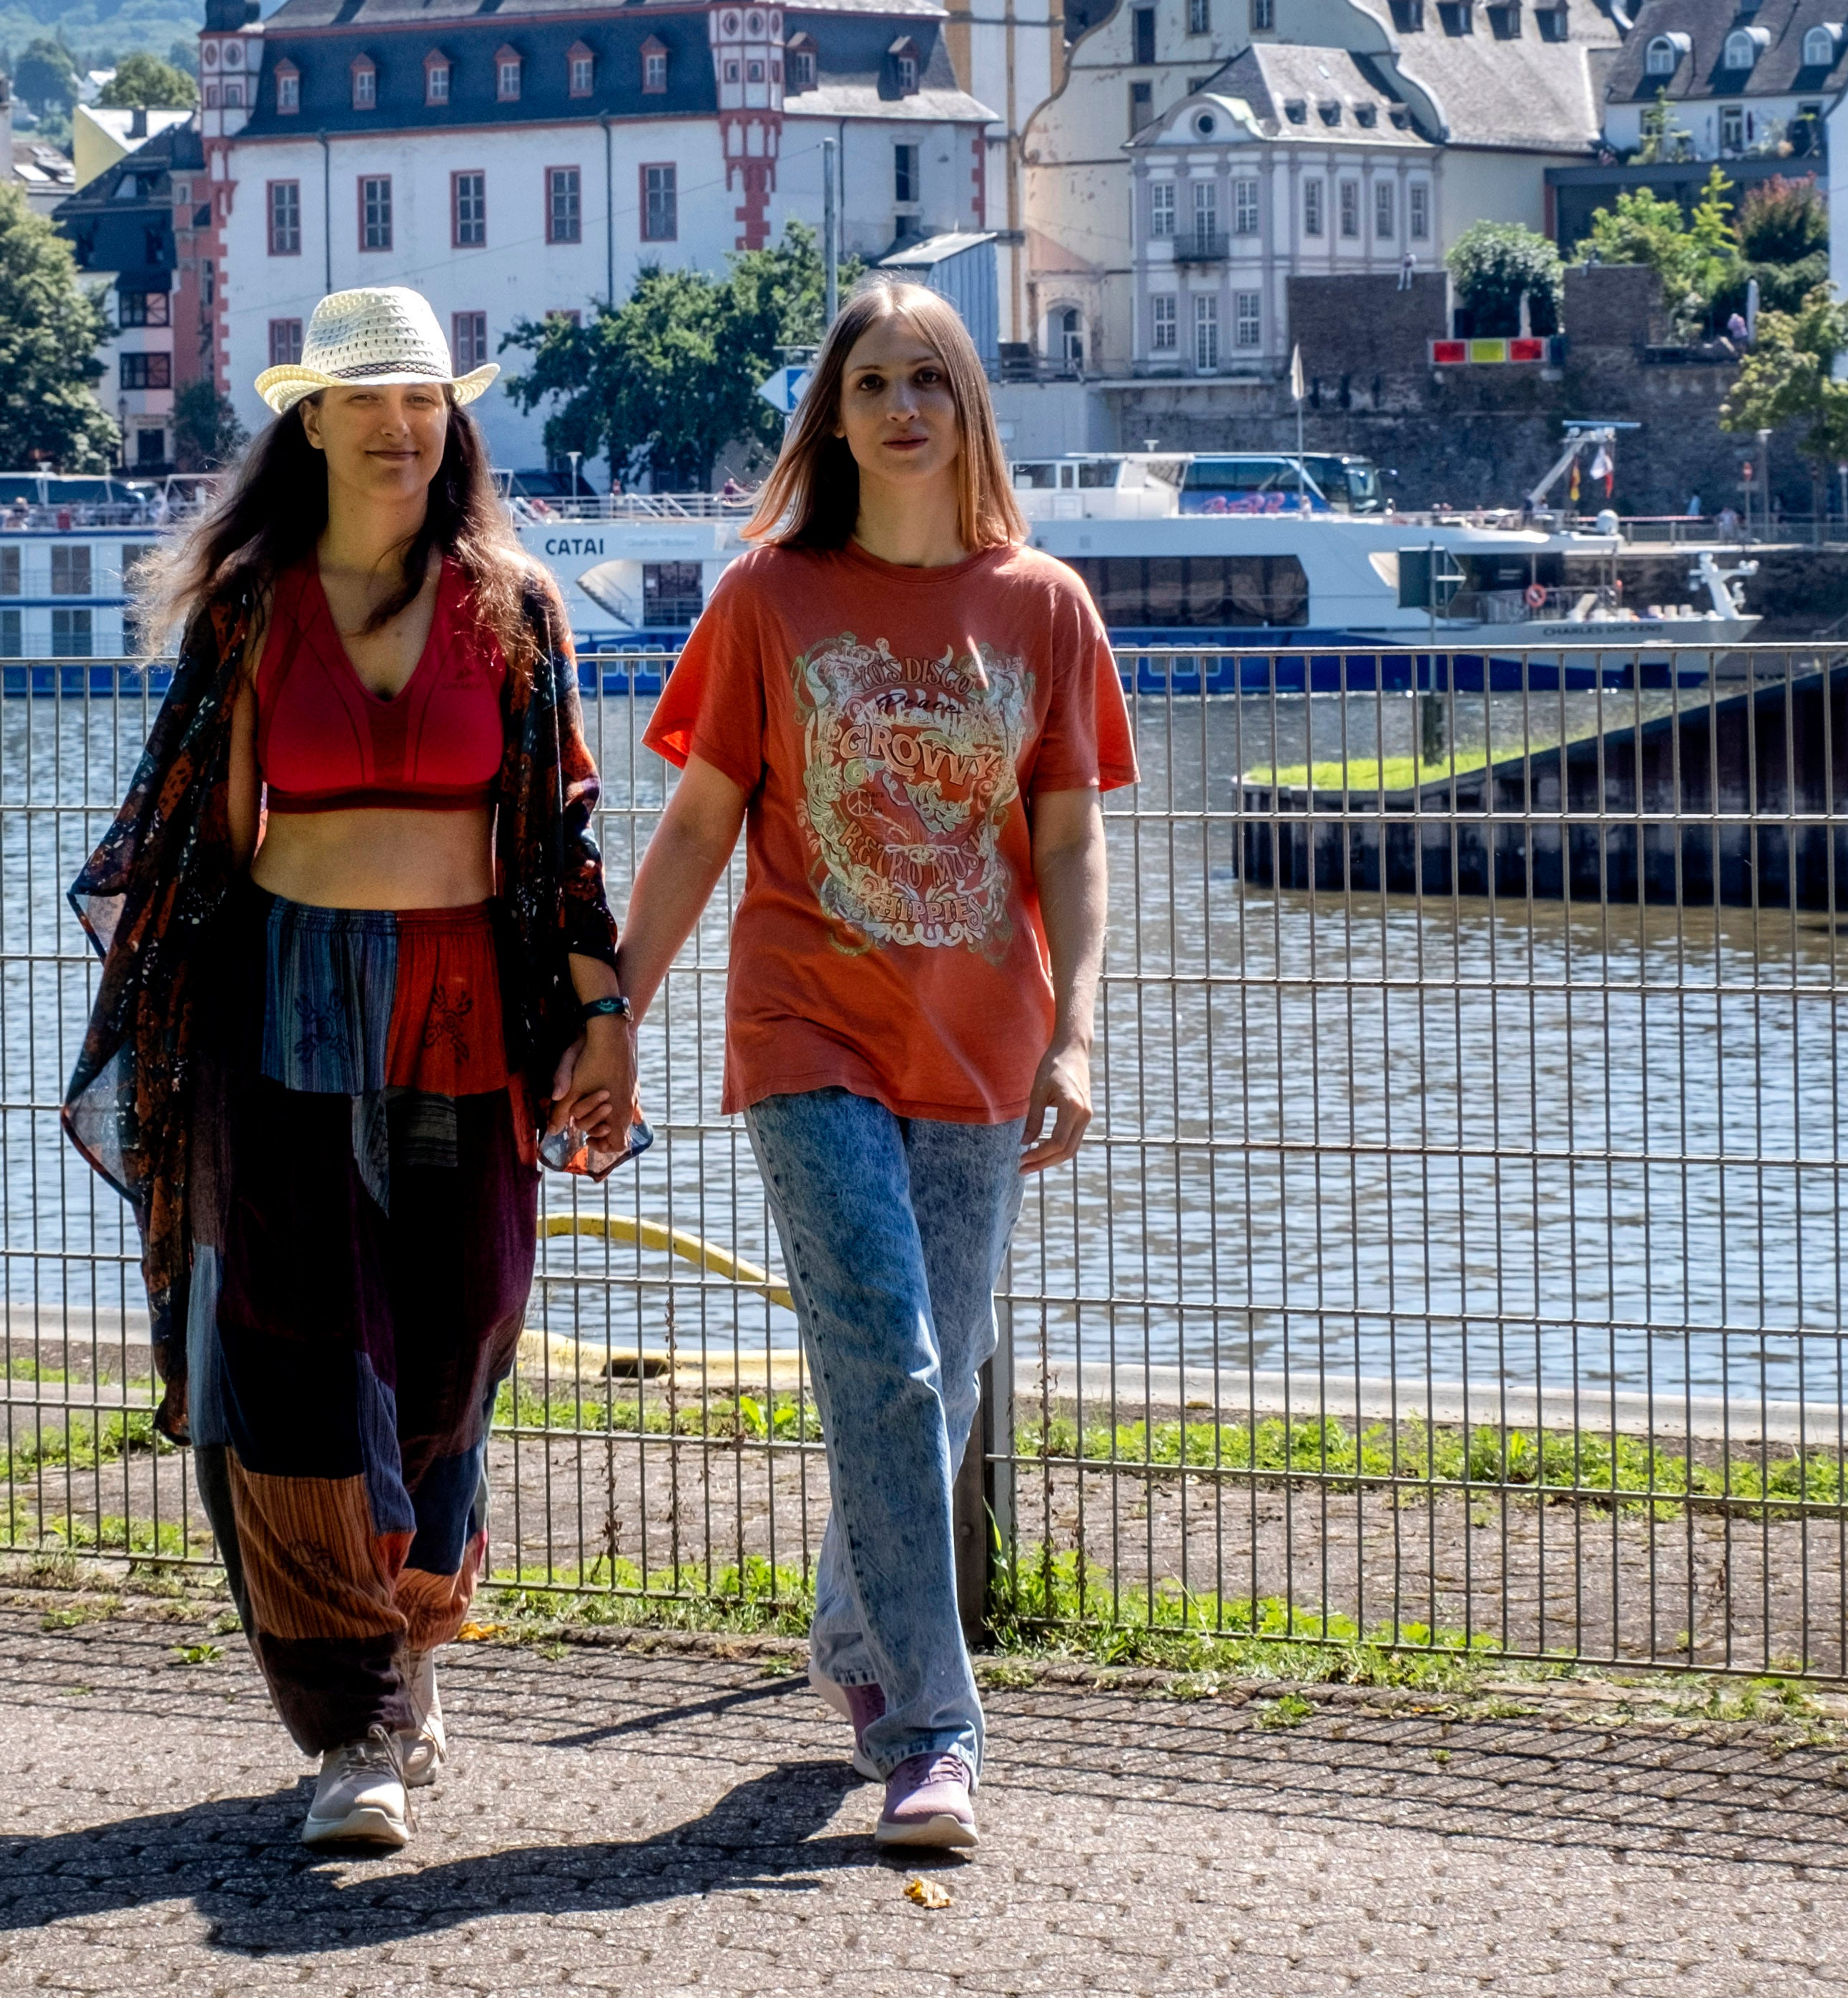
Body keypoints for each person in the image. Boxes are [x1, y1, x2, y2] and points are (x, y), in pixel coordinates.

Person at [64, 285, 637, 1854]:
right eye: (363, 400)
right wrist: (181, 1042)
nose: (398, 426)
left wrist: (603, 1016)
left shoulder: (513, 607)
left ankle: (413, 1641)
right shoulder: (250, 606)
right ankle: (353, 1731)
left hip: (463, 1015)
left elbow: (559, 840)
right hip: (292, 1014)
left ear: (451, 421)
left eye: (423, 400)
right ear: (305, 421)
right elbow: (197, 835)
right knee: (306, 1358)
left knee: (456, 1347)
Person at [616, 279, 1130, 1858]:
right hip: (806, 1031)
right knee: (893, 1365)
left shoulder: (1041, 605)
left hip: (978, 1046)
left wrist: (1079, 1027)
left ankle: (854, 1633)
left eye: (932, 379)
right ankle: (933, 1728)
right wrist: (612, 1013)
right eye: (871, 384)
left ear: (969, 409)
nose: (903, 406)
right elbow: (702, 819)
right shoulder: (768, 598)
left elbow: (1066, 835)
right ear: (829, 422)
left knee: (931, 1375)